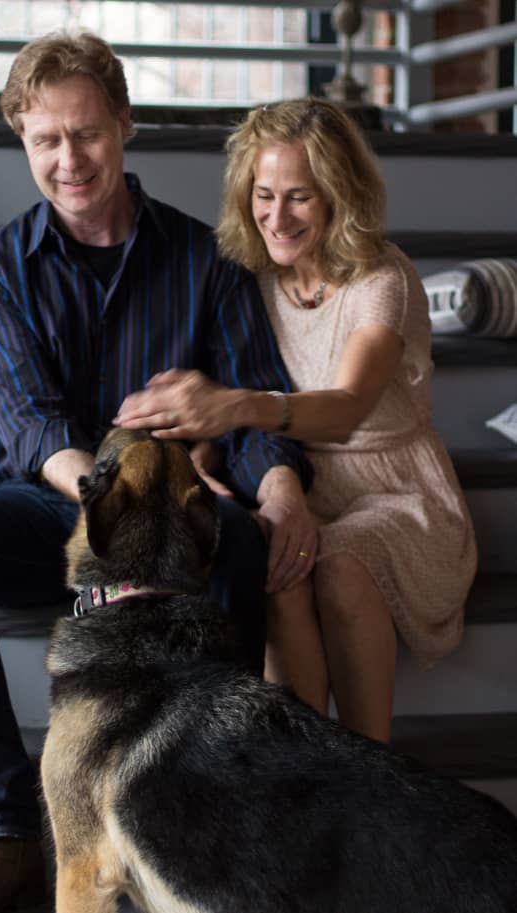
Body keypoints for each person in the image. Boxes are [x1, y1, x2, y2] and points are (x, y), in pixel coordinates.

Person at [0, 33, 315, 913]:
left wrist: (283, 488)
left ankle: (205, 799)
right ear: (21, 140)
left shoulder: (210, 259)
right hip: (53, 502)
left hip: (174, 523)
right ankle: (1, 820)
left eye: (85, 133)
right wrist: (121, 487)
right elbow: (34, 427)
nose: (68, 159)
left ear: (123, 125)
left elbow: (252, 405)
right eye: (45, 140)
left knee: (240, 535)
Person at [116, 96, 477, 746]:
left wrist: (236, 404)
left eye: (300, 197)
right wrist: (207, 456)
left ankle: (372, 770)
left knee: (335, 559)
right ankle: (307, 780)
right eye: (264, 194)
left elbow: (345, 408)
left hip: (396, 493)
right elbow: (232, 415)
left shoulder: (382, 280)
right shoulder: (251, 279)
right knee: (278, 563)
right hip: (296, 478)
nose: (275, 216)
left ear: (339, 196)